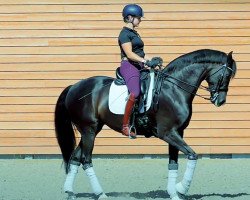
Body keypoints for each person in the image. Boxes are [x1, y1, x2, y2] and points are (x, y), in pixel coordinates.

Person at [118, 4, 162, 138]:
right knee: (135, 92)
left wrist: (152, 60)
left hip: (139, 65)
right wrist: (145, 62)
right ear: (130, 17)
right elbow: (130, 54)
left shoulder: (134, 33)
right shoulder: (124, 34)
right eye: (138, 17)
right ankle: (125, 126)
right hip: (128, 66)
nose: (140, 20)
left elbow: (141, 54)